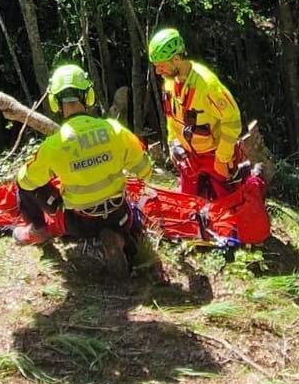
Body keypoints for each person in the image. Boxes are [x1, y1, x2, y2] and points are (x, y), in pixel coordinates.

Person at [13, 63, 153, 276]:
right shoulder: (115, 130)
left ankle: (38, 229)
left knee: (23, 182)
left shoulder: (54, 144)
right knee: (126, 211)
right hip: (118, 214)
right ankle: (119, 236)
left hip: (79, 223)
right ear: (88, 96)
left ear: (55, 101)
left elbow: (26, 181)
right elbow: (145, 170)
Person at [148, 27, 244, 198]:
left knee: (227, 207)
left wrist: (222, 157)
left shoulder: (207, 84)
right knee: (189, 206)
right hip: (189, 157)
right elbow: (171, 116)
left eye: (161, 66)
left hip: (214, 155)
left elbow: (232, 120)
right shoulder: (170, 82)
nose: (157, 72)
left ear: (176, 59)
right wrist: (172, 143)